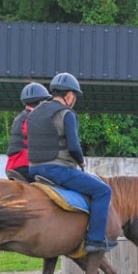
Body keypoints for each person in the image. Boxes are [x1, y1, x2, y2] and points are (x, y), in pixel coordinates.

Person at [28, 73, 116, 253]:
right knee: (103, 190)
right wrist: (81, 161)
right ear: (69, 96)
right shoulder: (66, 113)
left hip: (34, 169)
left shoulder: (35, 112)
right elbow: (74, 146)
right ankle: (95, 239)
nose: (74, 100)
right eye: (74, 96)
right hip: (58, 170)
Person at [5, 82, 50, 183]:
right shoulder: (34, 117)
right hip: (26, 165)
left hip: (12, 164)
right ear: (41, 101)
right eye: (45, 101)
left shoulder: (19, 117)